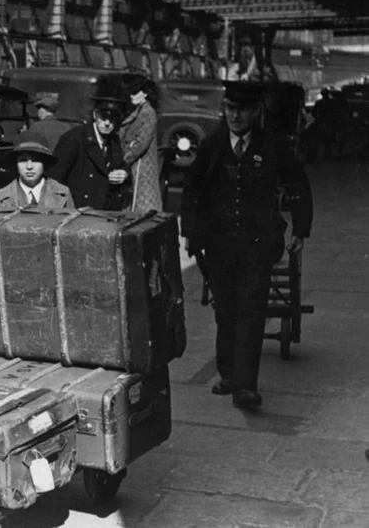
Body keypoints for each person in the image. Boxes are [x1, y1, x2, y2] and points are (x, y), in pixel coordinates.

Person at [181, 82, 313, 409]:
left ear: (256, 111)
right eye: (230, 109)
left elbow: (297, 184)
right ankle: (228, 374)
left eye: (242, 110)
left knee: (252, 311)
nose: (235, 116)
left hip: (258, 245)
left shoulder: (274, 146)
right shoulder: (212, 146)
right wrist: (190, 232)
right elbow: (192, 191)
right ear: (223, 109)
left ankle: (246, 386)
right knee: (226, 311)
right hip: (219, 246)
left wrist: (301, 228)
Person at [48, 74, 132, 210]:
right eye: (104, 117)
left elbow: (121, 164)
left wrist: (124, 173)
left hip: (106, 213)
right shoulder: (74, 139)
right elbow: (54, 180)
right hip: (79, 213)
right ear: (95, 115)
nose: (107, 123)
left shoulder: (113, 140)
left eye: (113, 119)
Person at [0, 130, 73, 209]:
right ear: (16, 164)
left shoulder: (63, 193)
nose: (29, 166)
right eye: (23, 160)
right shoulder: (4, 196)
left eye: (36, 160)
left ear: (44, 163)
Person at [119, 73, 163, 213]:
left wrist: (124, 160)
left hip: (141, 167)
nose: (131, 95)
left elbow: (140, 144)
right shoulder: (138, 111)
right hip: (135, 165)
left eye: (135, 92)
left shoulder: (148, 113)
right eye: (130, 92)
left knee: (142, 204)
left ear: (144, 94)